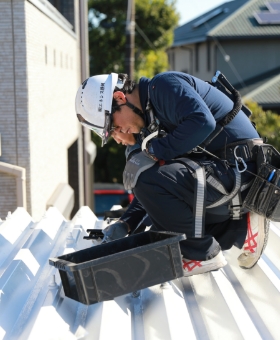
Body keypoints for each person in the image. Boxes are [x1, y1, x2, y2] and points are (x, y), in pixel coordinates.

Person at [75, 71, 269, 276]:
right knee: (164, 224)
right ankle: (241, 229)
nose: (117, 135)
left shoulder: (163, 87)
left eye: (113, 127)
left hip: (241, 173)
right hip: (233, 178)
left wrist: (152, 152)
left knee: (145, 175)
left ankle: (201, 255)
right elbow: (162, 189)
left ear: (119, 98)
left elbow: (203, 122)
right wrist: (127, 222)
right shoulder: (153, 114)